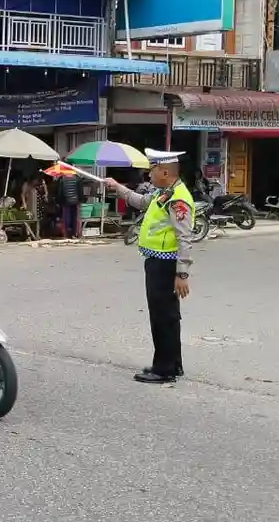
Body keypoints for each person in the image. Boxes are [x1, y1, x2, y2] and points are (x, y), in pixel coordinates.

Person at [102, 149, 196, 384]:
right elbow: (140, 201)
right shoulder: (164, 193)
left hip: (165, 264)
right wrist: (117, 186)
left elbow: (185, 238)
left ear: (165, 171)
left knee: (162, 317)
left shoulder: (177, 199)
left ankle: (163, 369)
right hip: (157, 260)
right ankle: (173, 364)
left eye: (152, 169)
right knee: (169, 316)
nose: (148, 173)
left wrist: (182, 273)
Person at [60, 172, 81, 238]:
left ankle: (66, 234)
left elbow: (60, 191)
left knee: (66, 218)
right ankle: (74, 233)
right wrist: (81, 199)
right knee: (75, 217)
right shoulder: (77, 178)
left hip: (66, 201)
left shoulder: (62, 178)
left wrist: (59, 201)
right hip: (75, 201)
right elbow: (80, 190)